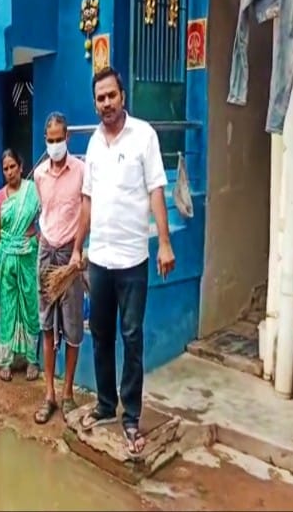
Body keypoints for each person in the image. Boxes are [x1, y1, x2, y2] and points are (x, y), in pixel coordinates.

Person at [70, 66, 175, 457]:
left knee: (132, 337)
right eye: (100, 98)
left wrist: (164, 242)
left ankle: (131, 414)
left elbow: (156, 190)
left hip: (133, 258)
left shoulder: (144, 135)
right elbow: (87, 201)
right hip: (100, 258)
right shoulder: (94, 144)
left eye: (111, 95)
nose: (106, 103)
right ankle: (104, 402)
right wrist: (78, 247)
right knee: (100, 333)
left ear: (123, 97)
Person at [33, 112, 86, 424]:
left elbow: (85, 212)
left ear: (68, 138)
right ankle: (49, 394)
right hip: (46, 252)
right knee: (47, 327)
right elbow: (45, 211)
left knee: (73, 329)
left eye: (59, 139)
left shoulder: (81, 170)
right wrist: (43, 240)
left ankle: (68, 394)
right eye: (50, 140)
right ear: (46, 140)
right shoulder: (39, 174)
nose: (55, 144)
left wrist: (77, 249)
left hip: (70, 256)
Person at [0, 149, 41, 382]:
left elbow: (44, 220)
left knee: (30, 305)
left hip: (28, 255)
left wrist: (35, 239)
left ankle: (31, 360)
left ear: (20, 166)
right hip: (6, 256)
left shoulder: (33, 191)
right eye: (5, 168)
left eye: (12, 167)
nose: (9, 172)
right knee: (7, 307)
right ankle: (5, 360)